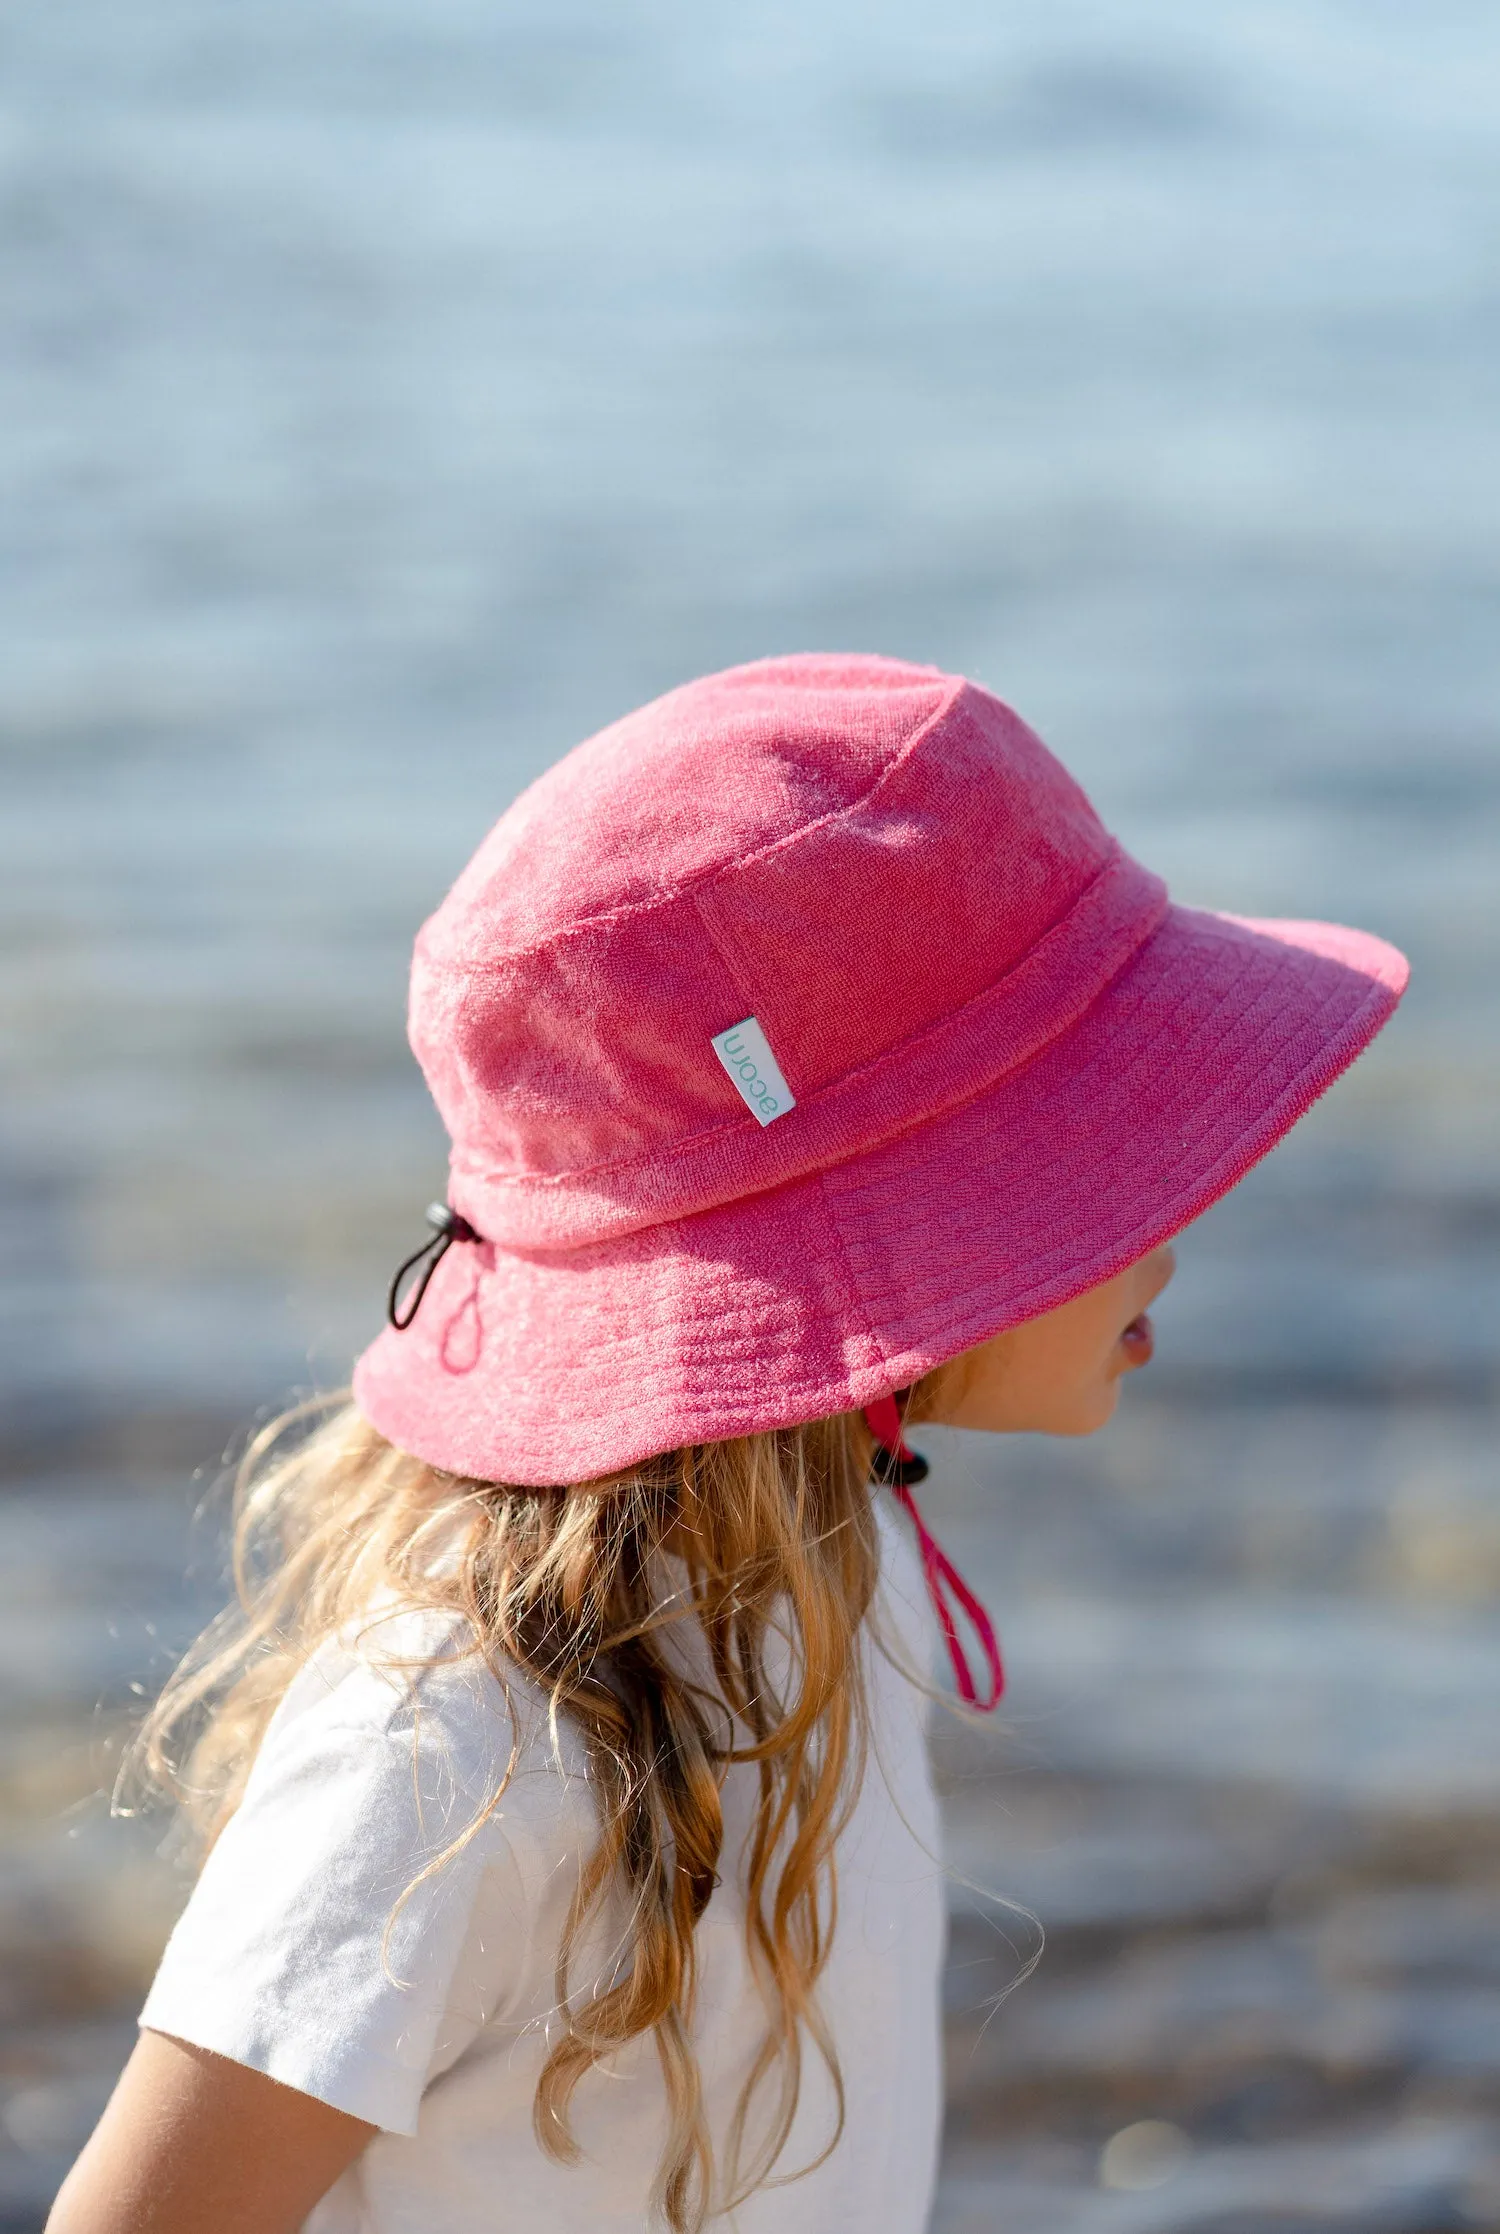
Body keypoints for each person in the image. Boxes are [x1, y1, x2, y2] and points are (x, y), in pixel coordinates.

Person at [49, 655, 1407, 2234]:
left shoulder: (844, 1556)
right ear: (883, 1233)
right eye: (1101, 1134)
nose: (1187, 1202)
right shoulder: (452, 1742)